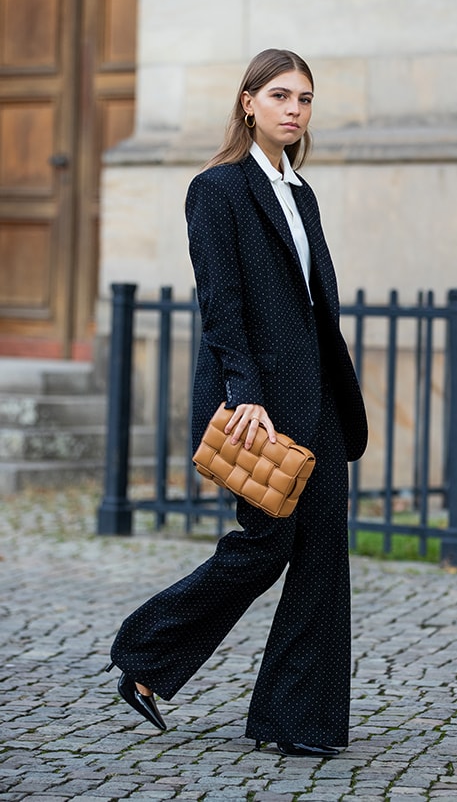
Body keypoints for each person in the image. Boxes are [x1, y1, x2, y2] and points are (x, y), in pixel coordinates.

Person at [106, 48, 368, 759]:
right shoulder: (217, 189)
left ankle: (298, 721)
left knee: (322, 557)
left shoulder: (301, 192)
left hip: (320, 398)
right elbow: (221, 305)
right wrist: (244, 394)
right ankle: (145, 655)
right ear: (247, 102)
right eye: (280, 95)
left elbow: (311, 305)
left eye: (305, 98)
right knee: (265, 544)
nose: (294, 109)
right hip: (264, 402)